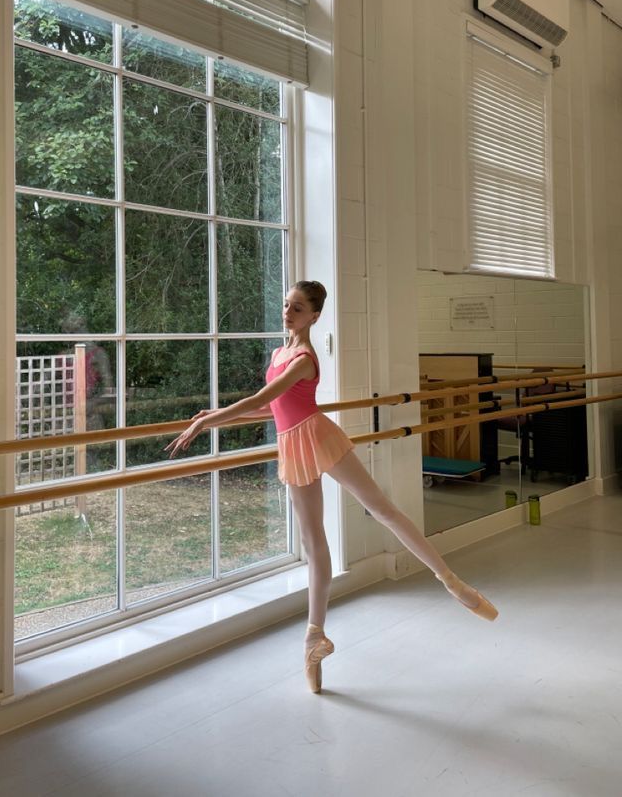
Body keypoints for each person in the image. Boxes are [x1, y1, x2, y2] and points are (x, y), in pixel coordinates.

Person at [166, 280, 498, 693]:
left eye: (298, 308)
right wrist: (215, 415)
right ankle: (314, 637)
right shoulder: (279, 353)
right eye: (287, 305)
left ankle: (451, 581)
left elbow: (259, 401)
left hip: (318, 437)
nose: (288, 312)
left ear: (315, 316)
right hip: (293, 445)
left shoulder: (304, 358)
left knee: (382, 509)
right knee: (314, 544)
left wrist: (205, 422)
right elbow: (272, 409)